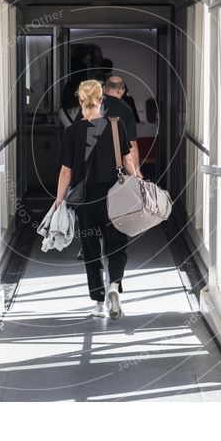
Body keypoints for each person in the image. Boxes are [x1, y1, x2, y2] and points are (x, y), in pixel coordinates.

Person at [55, 80, 138, 319]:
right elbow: (127, 160)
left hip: (86, 201)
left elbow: (66, 172)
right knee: (117, 244)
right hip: (114, 197)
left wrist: (59, 200)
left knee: (91, 251)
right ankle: (114, 286)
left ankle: (99, 303)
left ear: (81, 102)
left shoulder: (72, 132)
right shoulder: (116, 125)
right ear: (102, 100)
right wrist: (139, 182)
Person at [75, 74, 143, 179]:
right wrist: (136, 171)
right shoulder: (126, 110)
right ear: (122, 91)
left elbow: (76, 138)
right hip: (113, 172)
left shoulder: (88, 107)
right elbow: (132, 144)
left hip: (87, 171)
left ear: (105, 89)